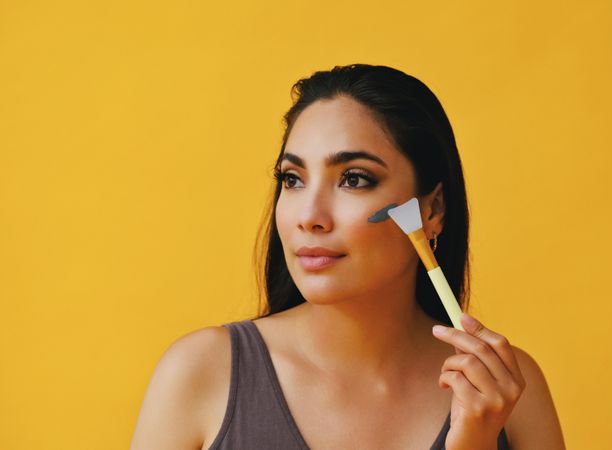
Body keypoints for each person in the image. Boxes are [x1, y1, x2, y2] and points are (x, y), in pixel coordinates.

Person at [130, 64, 566, 450]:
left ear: (431, 210)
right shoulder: (200, 373)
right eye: (293, 179)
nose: (310, 217)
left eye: (354, 179)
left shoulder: (509, 391)